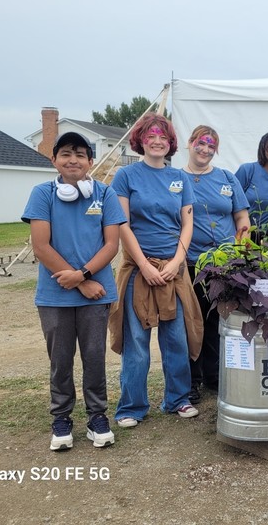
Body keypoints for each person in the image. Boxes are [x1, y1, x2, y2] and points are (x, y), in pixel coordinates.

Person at [22, 132, 126, 451]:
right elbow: (41, 246)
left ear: (90, 162)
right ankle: (62, 419)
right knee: (60, 359)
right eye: (66, 153)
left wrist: (82, 274)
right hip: (56, 296)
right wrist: (82, 282)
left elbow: (112, 244)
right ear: (54, 159)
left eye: (80, 154)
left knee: (94, 357)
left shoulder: (105, 194)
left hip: (97, 294)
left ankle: (97, 417)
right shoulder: (42, 194)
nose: (73, 160)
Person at [108, 114, 203, 427]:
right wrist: (145, 265)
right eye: (151, 135)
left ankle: (177, 399)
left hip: (173, 270)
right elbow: (122, 225)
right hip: (138, 270)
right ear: (141, 140)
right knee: (136, 340)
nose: (157, 140)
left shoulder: (180, 178)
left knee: (176, 338)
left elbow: (187, 223)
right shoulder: (126, 176)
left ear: (170, 142)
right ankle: (131, 407)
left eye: (163, 136)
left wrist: (176, 263)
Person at [183, 125, 250, 402]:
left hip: (223, 265)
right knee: (190, 322)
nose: (205, 150)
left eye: (211, 145)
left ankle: (214, 376)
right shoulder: (177, 178)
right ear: (190, 143)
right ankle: (190, 380)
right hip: (188, 263)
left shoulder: (226, 178)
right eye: (201, 143)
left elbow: (242, 219)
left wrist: (239, 248)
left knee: (217, 321)